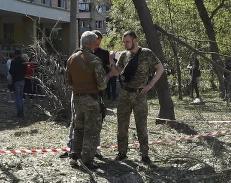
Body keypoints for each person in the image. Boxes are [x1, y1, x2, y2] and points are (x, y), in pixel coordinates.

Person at [65, 31, 119, 168]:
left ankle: (74, 156)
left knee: (78, 128)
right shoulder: (94, 60)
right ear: (90, 44)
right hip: (91, 99)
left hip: (77, 98)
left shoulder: (71, 59)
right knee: (92, 130)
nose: (96, 45)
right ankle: (87, 160)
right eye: (94, 42)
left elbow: (68, 81)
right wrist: (109, 75)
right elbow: (101, 85)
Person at [114, 30, 164, 164]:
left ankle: (144, 155)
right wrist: (110, 61)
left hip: (139, 95)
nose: (125, 44)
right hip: (124, 94)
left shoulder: (146, 53)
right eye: (124, 42)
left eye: (127, 41)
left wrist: (150, 84)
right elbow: (117, 71)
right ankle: (122, 153)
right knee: (122, 125)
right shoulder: (124, 55)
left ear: (135, 40)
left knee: (141, 125)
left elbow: (160, 68)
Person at [9, 49, 28, 118]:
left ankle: (19, 111)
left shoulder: (13, 62)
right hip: (22, 80)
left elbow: (11, 71)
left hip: (16, 80)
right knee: (21, 96)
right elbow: (25, 70)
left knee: (17, 97)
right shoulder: (23, 61)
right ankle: (22, 111)